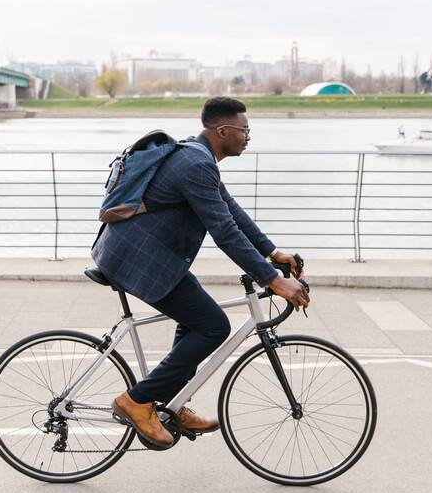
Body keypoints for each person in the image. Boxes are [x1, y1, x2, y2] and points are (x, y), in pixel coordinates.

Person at [91, 96, 310, 448]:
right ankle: (135, 402)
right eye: (245, 130)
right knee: (212, 326)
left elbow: (231, 211)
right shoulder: (195, 164)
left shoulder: (198, 156)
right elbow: (224, 232)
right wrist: (272, 280)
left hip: (152, 256)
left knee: (198, 322)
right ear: (222, 131)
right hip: (138, 259)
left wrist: (272, 252)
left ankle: (168, 405)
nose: (248, 137)